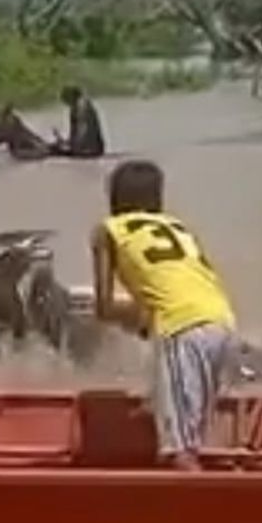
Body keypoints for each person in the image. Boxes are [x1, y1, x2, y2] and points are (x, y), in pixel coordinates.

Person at [91, 159, 237, 470]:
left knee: (180, 452)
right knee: (191, 431)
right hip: (222, 321)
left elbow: (104, 308)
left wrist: (132, 318)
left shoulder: (108, 231)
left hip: (182, 328)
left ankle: (204, 508)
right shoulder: (178, 227)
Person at [54, 85, 105, 158]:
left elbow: (83, 130)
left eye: (65, 99)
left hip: (88, 149)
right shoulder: (77, 105)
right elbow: (76, 131)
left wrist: (73, 148)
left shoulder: (82, 106)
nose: (65, 103)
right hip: (88, 147)